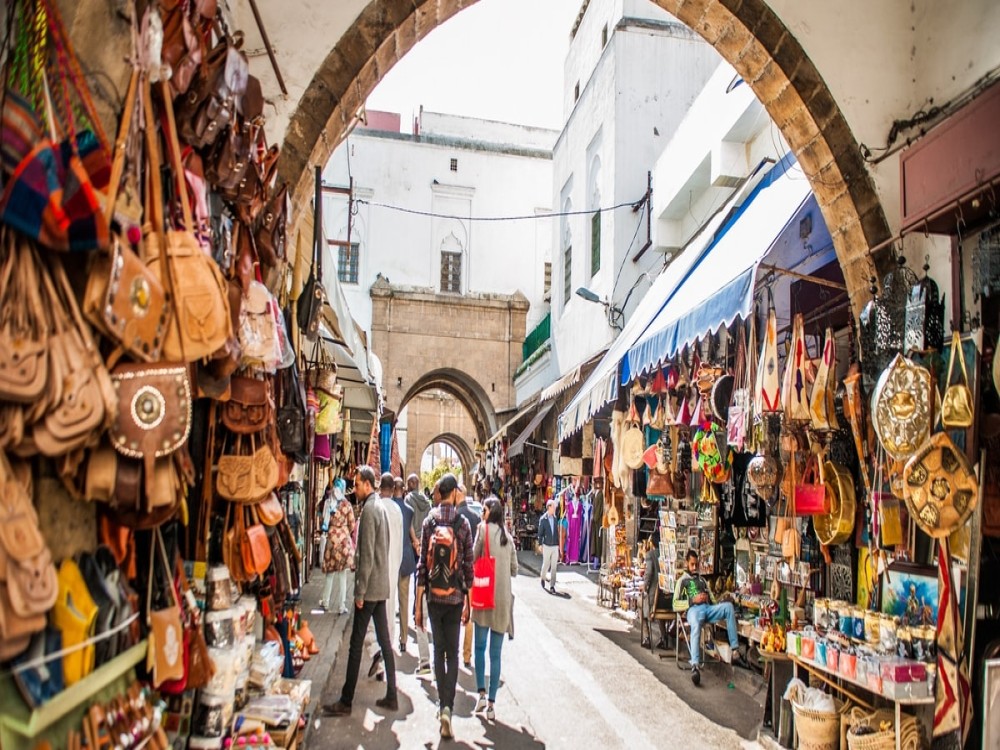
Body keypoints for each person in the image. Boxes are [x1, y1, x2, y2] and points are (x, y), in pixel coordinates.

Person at [323, 466, 397, 715]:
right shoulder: (380, 508)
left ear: (367, 484)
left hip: (370, 589)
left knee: (356, 644)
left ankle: (346, 701)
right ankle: (392, 695)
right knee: (385, 641)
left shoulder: (368, 511)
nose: (354, 488)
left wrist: (359, 593)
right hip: (381, 586)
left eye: (356, 484)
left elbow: (365, 556)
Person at [415, 472, 474, 739]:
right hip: (454, 598)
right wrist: (468, 603)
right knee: (453, 654)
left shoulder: (430, 521)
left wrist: (418, 604)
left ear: (441, 493)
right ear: (454, 494)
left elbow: (421, 567)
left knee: (439, 652)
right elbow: (468, 567)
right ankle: (448, 708)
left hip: (433, 597)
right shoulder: (463, 524)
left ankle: (442, 706)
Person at [471, 497, 518, 722]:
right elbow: (515, 570)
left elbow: (472, 556)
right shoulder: (508, 538)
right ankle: (491, 704)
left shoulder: (482, 530)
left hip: (484, 596)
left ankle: (480, 693)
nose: (482, 513)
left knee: (479, 648)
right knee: (495, 654)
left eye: (484, 509)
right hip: (502, 602)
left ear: (490, 512)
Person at [673, 550, 740, 686]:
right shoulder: (682, 581)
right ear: (686, 563)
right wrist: (693, 600)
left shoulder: (702, 580)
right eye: (692, 564)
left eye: (696, 564)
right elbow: (674, 605)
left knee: (728, 608)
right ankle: (695, 665)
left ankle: (735, 649)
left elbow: (714, 601)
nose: (694, 567)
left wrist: (712, 599)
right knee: (696, 624)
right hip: (692, 610)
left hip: (707, 609)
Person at [319, 479, 356, 614]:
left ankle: (326, 601)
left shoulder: (329, 502)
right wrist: (344, 531)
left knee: (330, 573)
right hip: (343, 541)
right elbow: (352, 523)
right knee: (342, 575)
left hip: (331, 540)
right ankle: (341, 605)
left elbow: (324, 520)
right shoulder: (347, 504)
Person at [456, 481, 481, 669]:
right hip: (472, 571)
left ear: (458, 494)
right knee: (470, 613)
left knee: (456, 610)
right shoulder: (475, 517)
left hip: (457, 570)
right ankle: (467, 654)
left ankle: (452, 650)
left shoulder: (455, 517)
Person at [393, 477, 418, 654]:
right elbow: (410, 532)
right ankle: (403, 639)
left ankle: (388, 639)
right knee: (404, 600)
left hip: (391, 558)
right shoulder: (409, 510)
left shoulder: (387, 507)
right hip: (406, 557)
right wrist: (416, 543)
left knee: (388, 602)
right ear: (404, 490)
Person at [641, 539, 669, 650]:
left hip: (653, 596)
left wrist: (644, 587)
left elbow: (649, 572)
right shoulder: (664, 554)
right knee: (659, 612)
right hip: (665, 598)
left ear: (652, 543)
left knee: (641, 607)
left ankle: (647, 637)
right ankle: (663, 637)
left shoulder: (650, 555)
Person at [537, 499, 560, 593]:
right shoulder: (543, 519)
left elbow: (556, 532)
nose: (555, 508)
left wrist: (558, 545)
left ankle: (552, 585)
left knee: (554, 566)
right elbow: (540, 533)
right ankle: (542, 577)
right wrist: (540, 544)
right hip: (546, 545)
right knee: (546, 564)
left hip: (554, 545)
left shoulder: (555, 518)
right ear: (549, 507)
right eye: (553, 507)